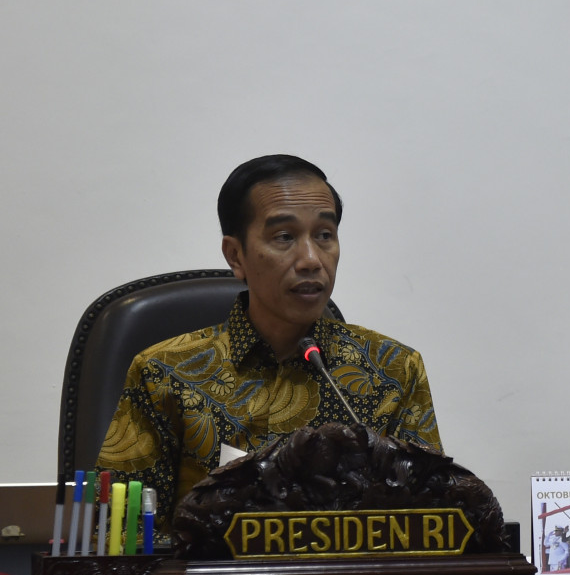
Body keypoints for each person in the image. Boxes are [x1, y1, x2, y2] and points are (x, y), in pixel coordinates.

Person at [97, 155, 443, 531]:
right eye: (284, 237)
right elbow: (119, 535)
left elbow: (432, 522)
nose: (311, 259)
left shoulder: (392, 370)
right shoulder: (164, 374)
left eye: (324, 235)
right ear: (236, 255)